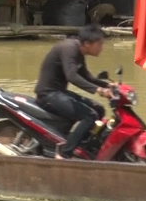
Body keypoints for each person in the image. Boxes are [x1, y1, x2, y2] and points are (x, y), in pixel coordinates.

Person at [34, 24, 114, 159]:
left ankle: (85, 145)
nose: (101, 48)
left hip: (59, 92)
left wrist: (108, 85)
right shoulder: (69, 48)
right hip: (48, 95)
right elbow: (72, 76)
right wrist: (98, 90)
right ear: (88, 43)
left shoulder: (78, 50)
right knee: (89, 116)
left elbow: (85, 76)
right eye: (99, 44)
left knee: (99, 109)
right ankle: (64, 153)